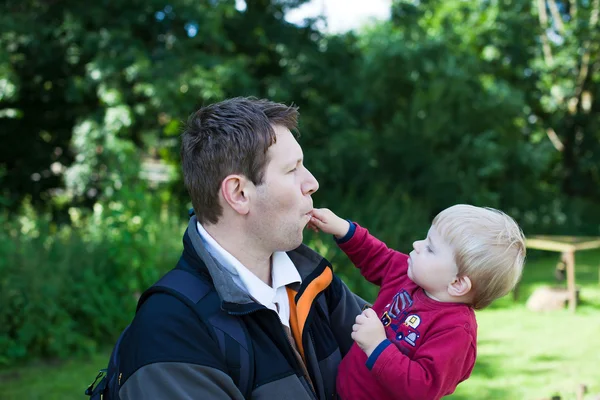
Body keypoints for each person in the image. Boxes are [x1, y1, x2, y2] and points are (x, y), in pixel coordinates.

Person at [116, 97, 363, 399]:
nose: (311, 183)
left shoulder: (314, 281)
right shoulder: (170, 333)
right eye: (292, 169)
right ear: (239, 193)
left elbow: (408, 363)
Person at [308, 204, 526, 400]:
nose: (417, 244)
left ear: (458, 283)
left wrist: (377, 346)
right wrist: (342, 229)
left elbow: (421, 388)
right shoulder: (407, 275)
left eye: (430, 248)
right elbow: (376, 256)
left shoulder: (455, 331)